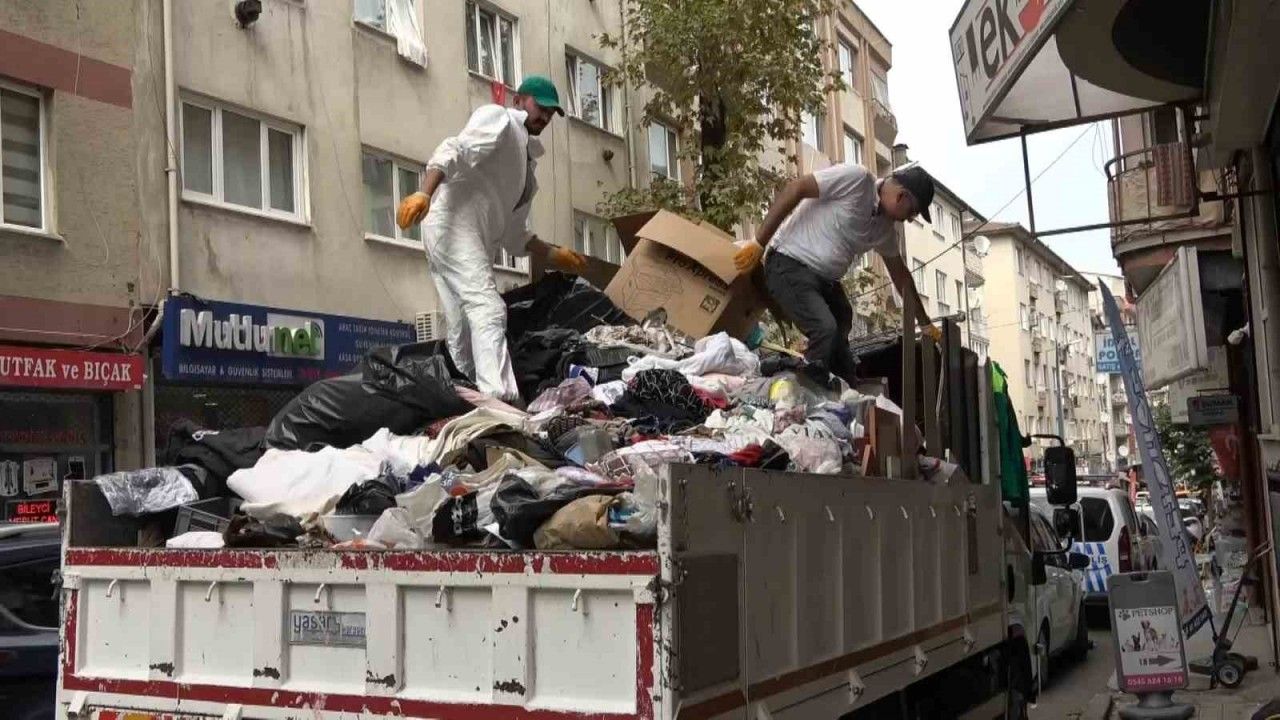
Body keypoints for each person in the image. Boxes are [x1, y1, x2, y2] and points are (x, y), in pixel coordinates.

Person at [397, 76, 587, 401]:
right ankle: (499, 400)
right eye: (540, 106)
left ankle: (464, 394)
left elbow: (513, 235)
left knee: (463, 328)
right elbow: (456, 149)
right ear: (518, 101)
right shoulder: (499, 119)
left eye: (551, 113)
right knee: (488, 308)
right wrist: (424, 193)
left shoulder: (527, 171)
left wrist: (553, 254)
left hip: (470, 239)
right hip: (452, 226)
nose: (544, 116)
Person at [734, 163, 941, 386]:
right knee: (825, 328)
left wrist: (925, 324)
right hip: (788, 264)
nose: (909, 219)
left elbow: (901, 276)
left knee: (842, 319)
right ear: (901, 196)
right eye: (912, 212)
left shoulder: (885, 230)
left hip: (825, 281)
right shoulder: (858, 180)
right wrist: (759, 242)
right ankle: (802, 390)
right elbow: (797, 188)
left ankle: (846, 388)